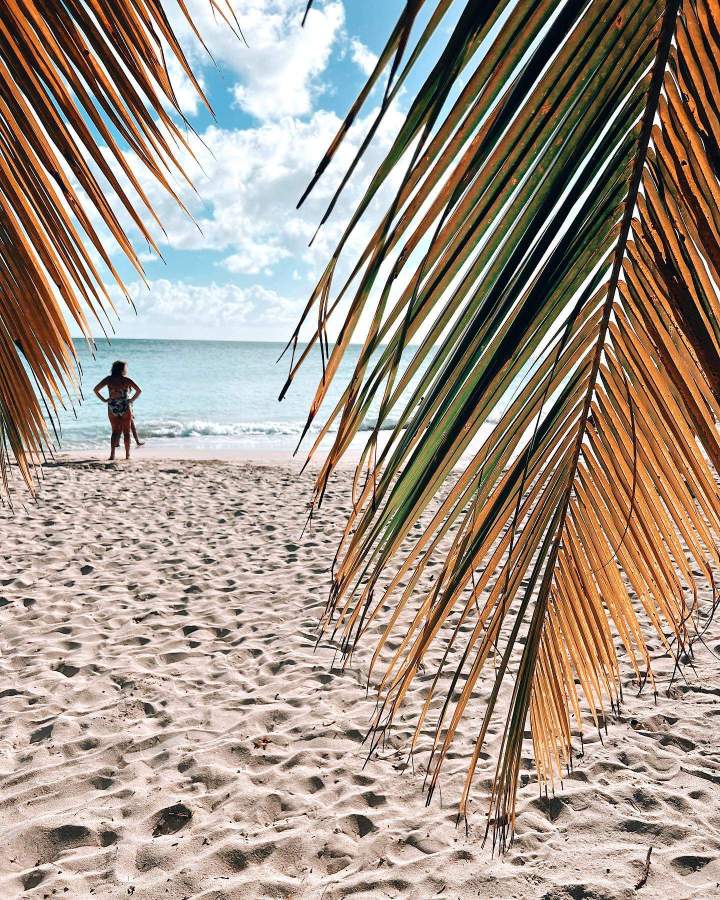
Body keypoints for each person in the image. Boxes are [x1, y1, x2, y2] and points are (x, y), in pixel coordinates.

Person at [94, 361, 142, 460]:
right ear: (122, 369)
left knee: (115, 432)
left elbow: (96, 390)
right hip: (125, 405)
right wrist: (131, 400)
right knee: (126, 432)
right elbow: (139, 390)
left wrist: (104, 400)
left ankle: (112, 455)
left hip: (112, 406)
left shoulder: (108, 379)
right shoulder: (126, 380)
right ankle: (127, 455)